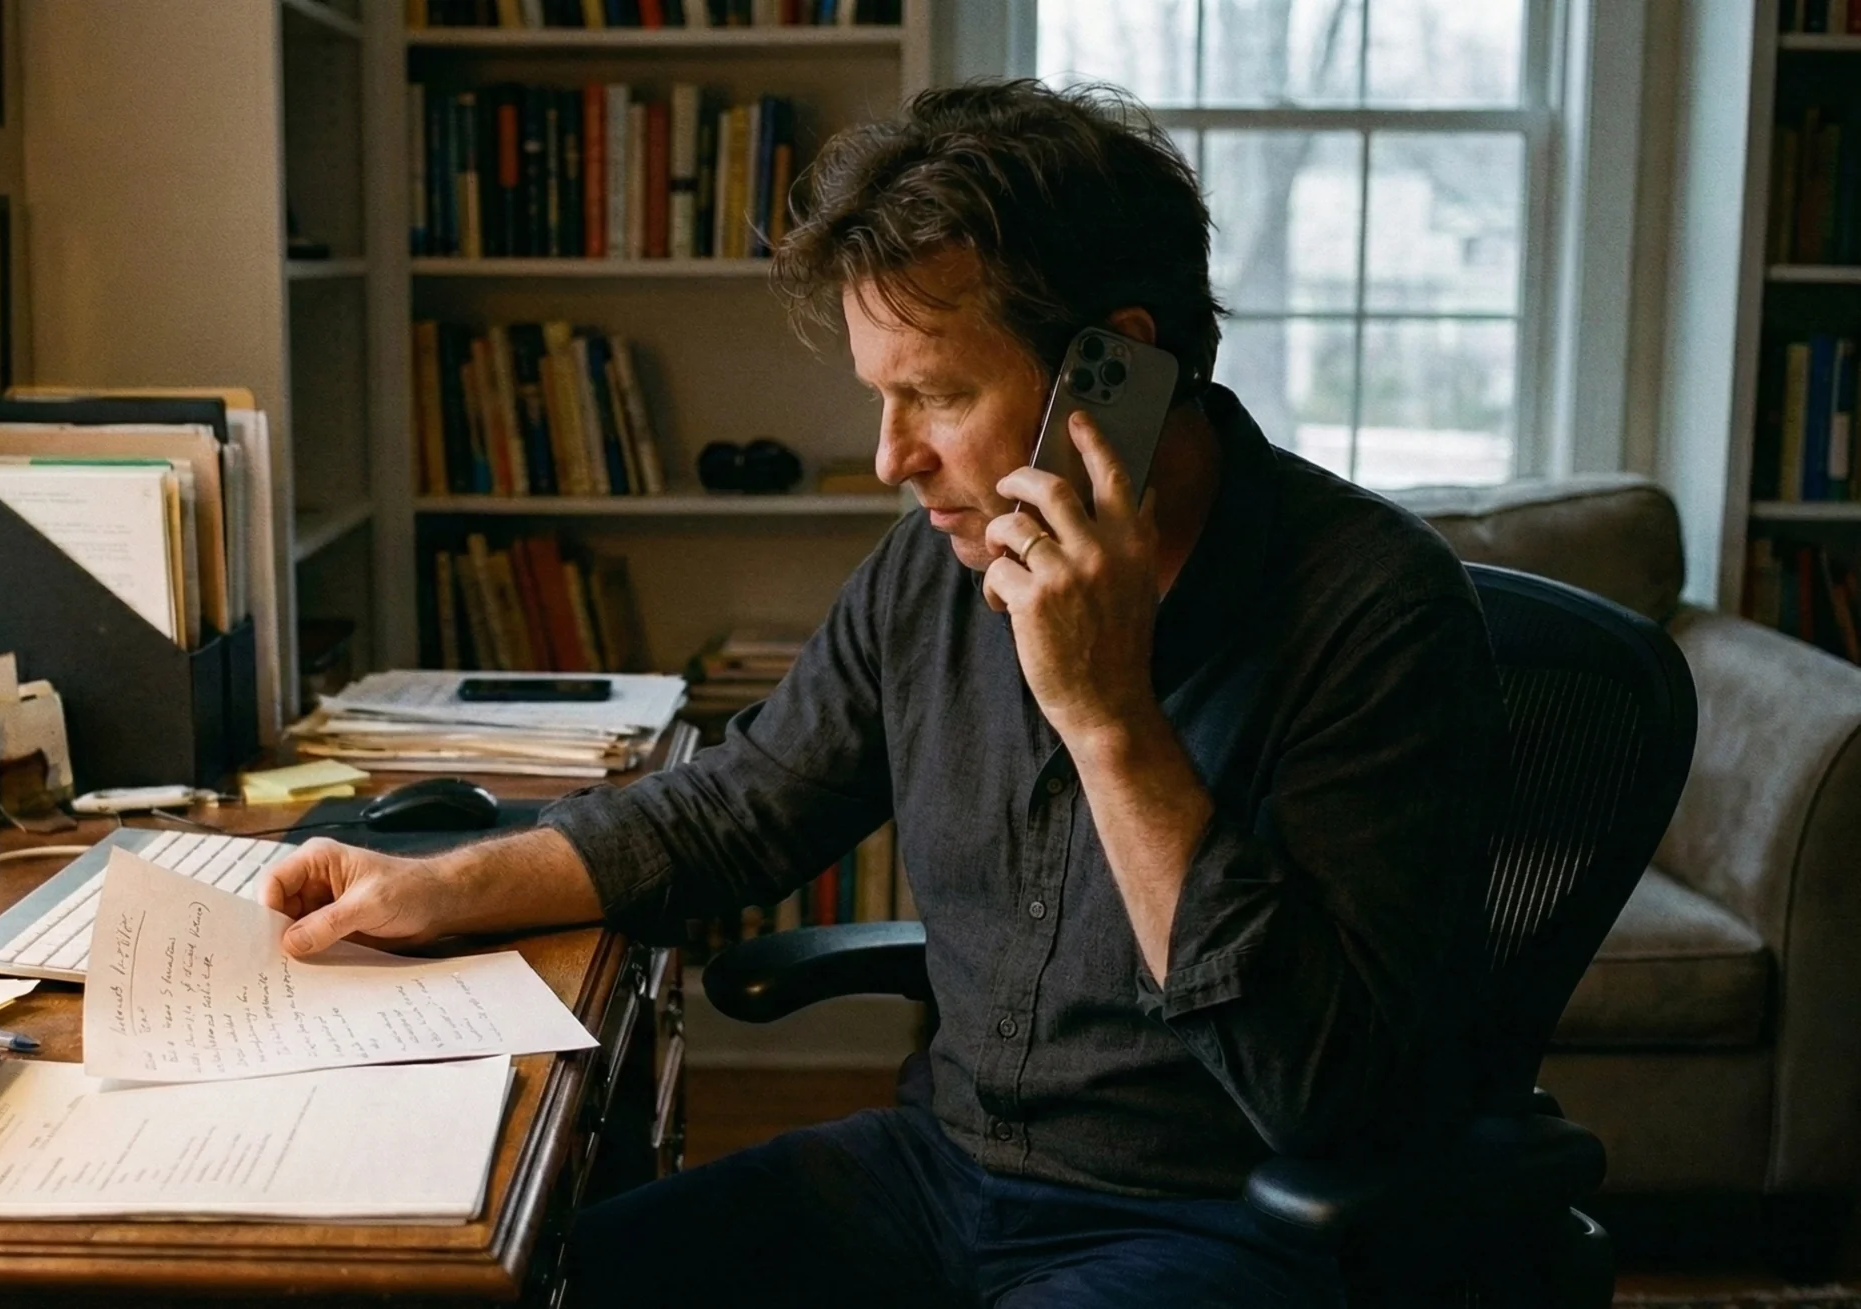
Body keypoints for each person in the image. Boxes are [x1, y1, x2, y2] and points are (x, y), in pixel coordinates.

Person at [262, 80, 1504, 1308]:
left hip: (1223, 1224)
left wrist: (1109, 714)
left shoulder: (1378, 611)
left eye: (942, 395)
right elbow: (738, 808)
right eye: (882, 396)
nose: (890, 457)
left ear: (1115, 367)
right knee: (544, 1288)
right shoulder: (933, 566)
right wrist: (437, 884)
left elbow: (1326, 1090)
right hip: (938, 1174)